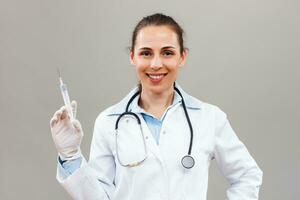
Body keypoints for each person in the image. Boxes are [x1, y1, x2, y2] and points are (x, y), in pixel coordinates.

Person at [50, 13, 263, 200]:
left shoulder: (209, 118)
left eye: (167, 53)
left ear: (182, 57)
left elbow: (247, 175)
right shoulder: (109, 122)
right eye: (146, 53)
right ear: (132, 57)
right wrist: (70, 156)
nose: (156, 64)